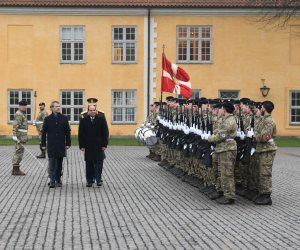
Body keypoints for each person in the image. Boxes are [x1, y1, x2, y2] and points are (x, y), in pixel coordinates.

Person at [208, 102, 237, 204]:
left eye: (221, 109)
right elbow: (218, 131)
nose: (219, 110)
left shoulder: (229, 121)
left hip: (227, 149)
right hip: (223, 149)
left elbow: (221, 135)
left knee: (227, 174)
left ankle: (229, 196)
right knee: (222, 173)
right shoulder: (225, 120)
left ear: (224, 110)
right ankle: (223, 192)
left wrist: (209, 138)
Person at [41, 101, 71, 188]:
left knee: (59, 163)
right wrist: (43, 144)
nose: (58, 108)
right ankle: (52, 180)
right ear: (51, 108)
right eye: (56, 106)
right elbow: (43, 133)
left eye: (59, 106)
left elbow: (67, 132)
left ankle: (58, 179)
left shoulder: (64, 118)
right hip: (51, 145)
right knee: (52, 163)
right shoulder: (47, 119)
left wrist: (68, 143)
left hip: (61, 144)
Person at [78, 104, 109, 187]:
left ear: (96, 111)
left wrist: (104, 144)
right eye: (90, 110)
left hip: (99, 145)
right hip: (88, 146)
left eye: (93, 110)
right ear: (88, 112)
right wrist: (82, 145)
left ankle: (98, 180)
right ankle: (89, 180)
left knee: (99, 163)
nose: (92, 112)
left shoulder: (101, 120)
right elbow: (81, 134)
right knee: (89, 163)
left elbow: (105, 133)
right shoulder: (84, 120)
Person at [253, 101, 277, 205]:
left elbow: (264, 137)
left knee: (265, 173)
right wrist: (257, 134)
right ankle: (262, 193)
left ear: (264, 108)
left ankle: (266, 196)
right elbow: (258, 131)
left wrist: (255, 135)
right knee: (261, 172)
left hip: (267, 150)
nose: (260, 109)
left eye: (261, 107)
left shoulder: (269, 122)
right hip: (262, 150)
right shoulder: (263, 120)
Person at [12, 100, 28, 176]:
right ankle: (15, 169)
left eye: (26, 105)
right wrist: (15, 136)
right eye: (24, 105)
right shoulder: (19, 114)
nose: (25, 107)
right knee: (18, 152)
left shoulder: (21, 114)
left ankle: (15, 169)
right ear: (20, 106)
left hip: (22, 136)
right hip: (19, 136)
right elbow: (15, 126)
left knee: (20, 152)